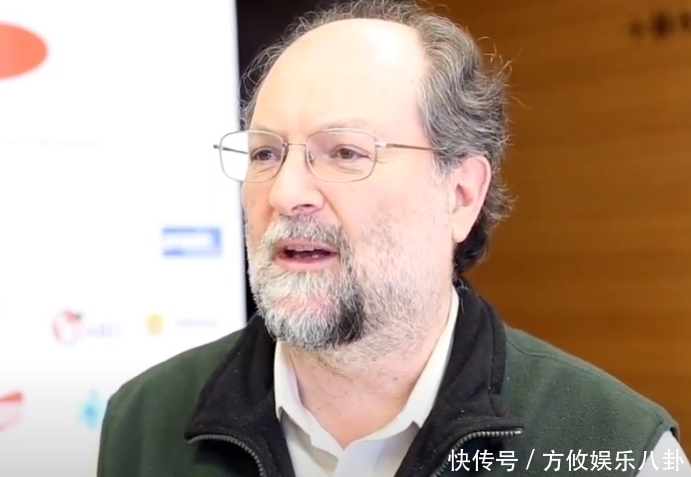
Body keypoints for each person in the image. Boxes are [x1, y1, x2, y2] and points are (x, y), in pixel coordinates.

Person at [95, 0, 688, 476]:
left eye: (345, 152)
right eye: (266, 154)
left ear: (460, 194)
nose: (285, 192)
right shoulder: (144, 425)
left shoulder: (616, 447)